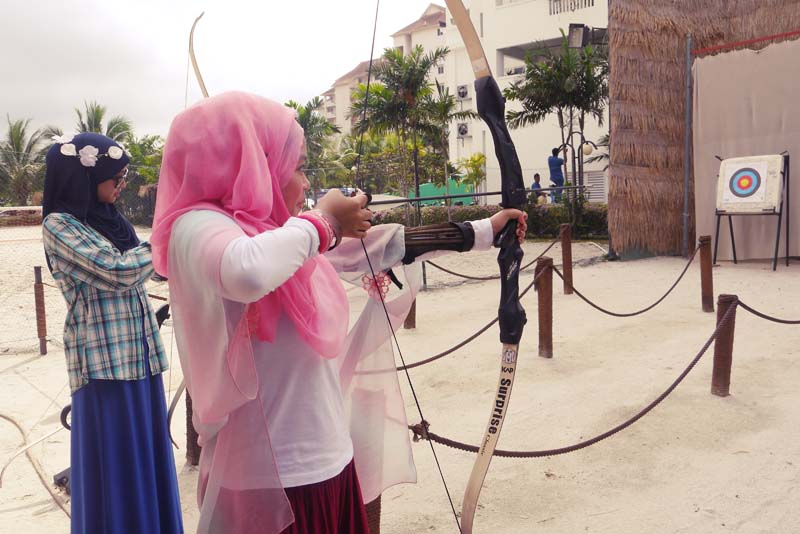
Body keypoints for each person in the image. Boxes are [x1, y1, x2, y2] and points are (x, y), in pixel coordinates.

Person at [150, 91, 527, 534]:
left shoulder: (282, 231)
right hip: (265, 484)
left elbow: (371, 247)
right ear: (254, 164)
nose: (306, 182)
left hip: (328, 460)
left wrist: (480, 232)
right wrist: (324, 220)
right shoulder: (197, 227)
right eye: (298, 166)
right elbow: (247, 271)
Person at [42, 133, 183, 533]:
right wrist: (170, 231)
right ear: (85, 176)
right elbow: (117, 270)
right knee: (116, 474)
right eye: (116, 177)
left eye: (124, 177)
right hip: (104, 368)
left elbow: (150, 266)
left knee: (147, 463)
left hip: (141, 359)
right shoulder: (59, 225)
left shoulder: (111, 220)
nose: (122, 185)